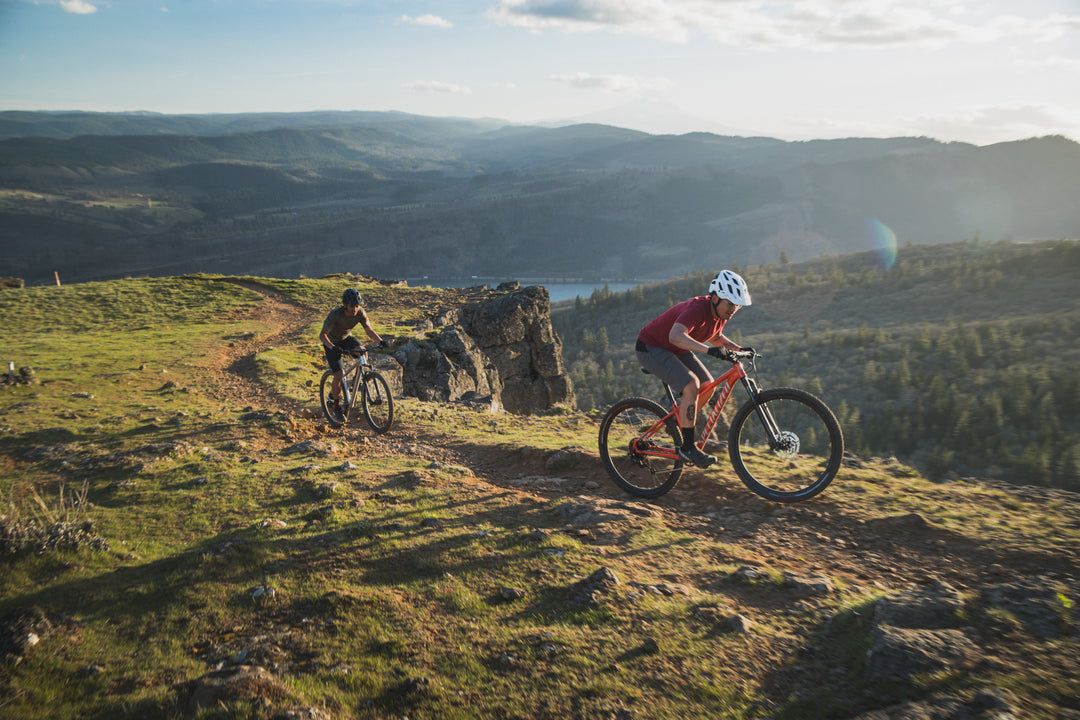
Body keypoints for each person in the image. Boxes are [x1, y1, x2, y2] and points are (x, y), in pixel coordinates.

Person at [636, 270, 754, 468]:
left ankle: (678, 423)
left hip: (676, 349)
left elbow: (715, 336)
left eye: (737, 305)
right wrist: (708, 350)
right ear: (715, 298)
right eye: (730, 304)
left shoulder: (720, 314)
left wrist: (739, 349)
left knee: (708, 386)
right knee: (691, 385)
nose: (733, 309)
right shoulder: (697, 309)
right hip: (651, 347)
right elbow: (675, 336)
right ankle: (687, 448)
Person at [320, 288, 387, 417]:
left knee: (363, 352)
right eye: (352, 306)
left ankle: (356, 382)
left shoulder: (360, 313)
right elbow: (322, 335)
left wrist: (381, 341)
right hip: (331, 343)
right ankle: (336, 406)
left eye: (357, 306)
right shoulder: (335, 315)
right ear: (345, 305)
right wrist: (332, 347)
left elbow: (369, 330)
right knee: (339, 374)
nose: (355, 309)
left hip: (346, 339)